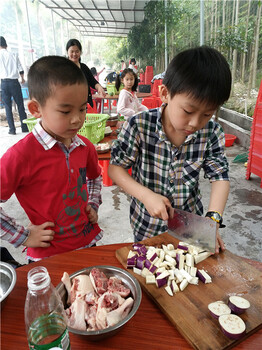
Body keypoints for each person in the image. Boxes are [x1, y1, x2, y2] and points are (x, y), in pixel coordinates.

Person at [108, 46, 232, 255]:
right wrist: (146, 196)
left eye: (207, 114)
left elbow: (220, 176)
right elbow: (115, 169)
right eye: (188, 111)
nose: (195, 123)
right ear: (165, 93)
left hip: (190, 228)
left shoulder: (211, 132)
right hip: (146, 227)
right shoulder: (139, 125)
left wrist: (213, 221)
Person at [0, 55, 103, 262]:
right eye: (65, 111)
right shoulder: (21, 155)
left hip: (87, 243)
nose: (77, 119)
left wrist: (93, 203)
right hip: (48, 255)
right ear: (36, 109)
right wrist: (23, 236)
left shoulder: (85, 147)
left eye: (82, 108)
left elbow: (95, 177)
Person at [0, 36, 28, 135]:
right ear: (5, 44)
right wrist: (23, 78)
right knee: (20, 105)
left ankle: (12, 130)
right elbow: (20, 68)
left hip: (4, 83)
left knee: (7, 106)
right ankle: (24, 127)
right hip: (14, 82)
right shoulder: (14, 54)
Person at [66, 39, 106, 107]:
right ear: (67, 52)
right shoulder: (63, 68)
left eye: (77, 51)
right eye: (72, 51)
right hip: (69, 105)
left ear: (80, 52)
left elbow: (93, 81)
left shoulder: (84, 67)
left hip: (84, 104)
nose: (74, 54)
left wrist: (99, 87)